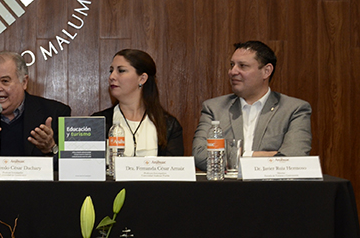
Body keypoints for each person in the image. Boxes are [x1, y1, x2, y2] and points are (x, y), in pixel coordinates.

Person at [192, 40, 312, 170]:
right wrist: (261, 156)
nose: (232, 71)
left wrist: (241, 156)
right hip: (227, 189)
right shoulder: (214, 108)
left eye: (242, 66)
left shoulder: (294, 109)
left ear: (266, 71)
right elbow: (200, 156)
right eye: (232, 65)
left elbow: (293, 159)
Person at [0, 51, 71, 170]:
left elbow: (69, 169)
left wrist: (51, 148)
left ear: (24, 82)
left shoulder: (55, 113)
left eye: (5, 81)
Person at [92, 49, 183, 156]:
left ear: (142, 79)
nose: (112, 77)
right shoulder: (98, 122)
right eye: (111, 71)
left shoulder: (169, 125)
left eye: (121, 71)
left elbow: (173, 169)